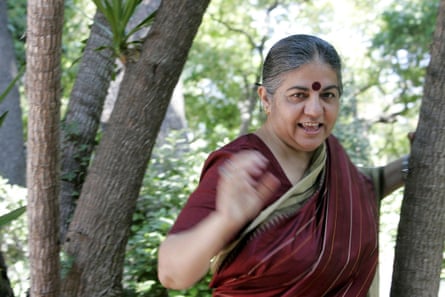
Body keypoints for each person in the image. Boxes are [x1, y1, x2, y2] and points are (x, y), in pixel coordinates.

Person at [158, 34, 411, 297]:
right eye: (298, 95)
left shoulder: (332, 161)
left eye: (328, 95)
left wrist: (415, 164)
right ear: (266, 99)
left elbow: (364, 188)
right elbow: (171, 273)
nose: (314, 110)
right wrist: (225, 220)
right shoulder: (240, 166)